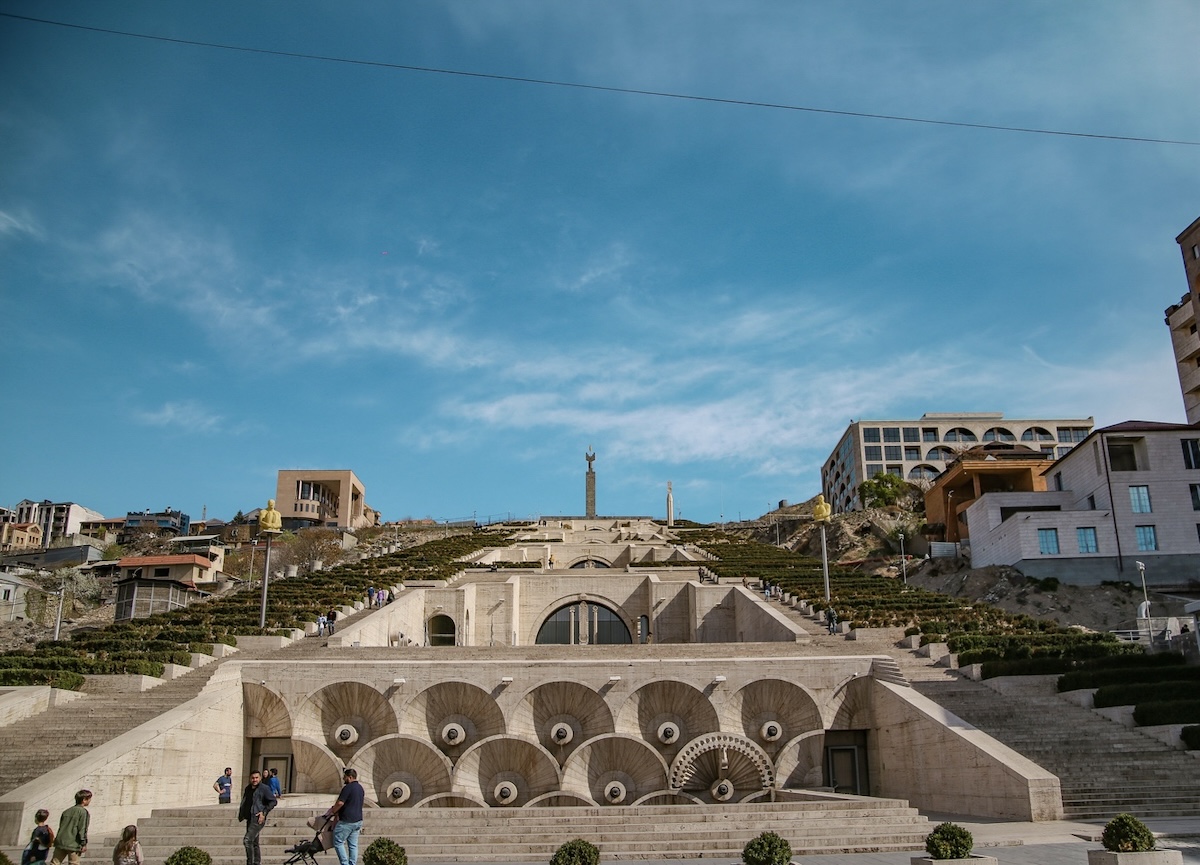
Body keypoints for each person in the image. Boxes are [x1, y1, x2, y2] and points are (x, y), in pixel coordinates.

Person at [324, 767, 364, 865]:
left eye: (345, 777)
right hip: (358, 820)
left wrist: (333, 811)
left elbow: (340, 803)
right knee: (353, 845)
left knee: (338, 842)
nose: (343, 779)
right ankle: (352, 864)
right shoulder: (360, 788)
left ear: (350, 777)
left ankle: (344, 863)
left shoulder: (348, 788)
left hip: (347, 821)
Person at [237, 770, 276, 865]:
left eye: (256, 778)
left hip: (258, 818)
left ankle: (250, 863)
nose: (254, 780)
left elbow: (273, 801)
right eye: (253, 778)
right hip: (249, 818)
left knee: (247, 840)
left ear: (260, 778)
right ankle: (256, 862)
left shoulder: (264, 788)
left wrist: (264, 812)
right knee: (254, 842)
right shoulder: (248, 788)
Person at [51, 789, 91, 865]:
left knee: (55, 863)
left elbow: (61, 826)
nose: (90, 801)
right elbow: (82, 829)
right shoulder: (83, 812)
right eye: (89, 799)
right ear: (84, 800)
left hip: (61, 841)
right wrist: (83, 843)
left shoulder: (66, 811)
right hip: (74, 844)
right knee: (74, 863)